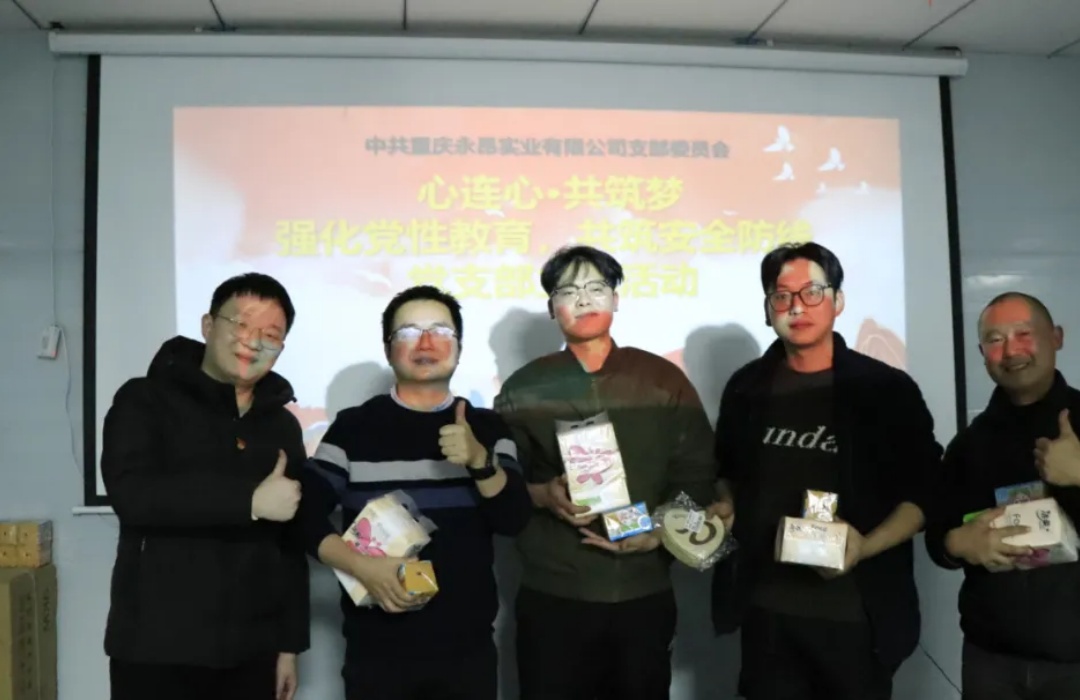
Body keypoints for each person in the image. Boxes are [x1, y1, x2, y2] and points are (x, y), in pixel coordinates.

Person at [710, 242, 942, 700]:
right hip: (766, 612)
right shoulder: (746, 387)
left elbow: (926, 492)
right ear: (767, 310)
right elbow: (727, 471)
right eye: (782, 296)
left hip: (856, 616)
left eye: (812, 292)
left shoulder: (885, 389)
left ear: (838, 301)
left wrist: (866, 545)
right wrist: (726, 504)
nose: (797, 306)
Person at [493, 245, 720, 700]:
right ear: (551, 307)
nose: (583, 299)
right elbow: (502, 485)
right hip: (554, 591)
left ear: (616, 299)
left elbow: (698, 475)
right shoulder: (524, 387)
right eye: (568, 291)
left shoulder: (661, 380)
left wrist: (659, 532)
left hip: (643, 590)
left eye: (596, 287)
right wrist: (543, 495)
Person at [299, 285, 531, 700]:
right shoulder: (353, 428)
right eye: (408, 332)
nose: (425, 343)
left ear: (459, 347)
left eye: (440, 330)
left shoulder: (488, 427)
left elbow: (514, 519)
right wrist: (361, 567)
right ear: (388, 350)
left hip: (466, 652)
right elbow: (302, 517)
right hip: (376, 653)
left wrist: (480, 461)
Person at [101, 272, 310, 700]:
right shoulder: (145, 400)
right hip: (157, 646)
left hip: (253, 650)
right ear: (208, 325)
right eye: (241, 324)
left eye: (270, 335)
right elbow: (133, 495)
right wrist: (249, 502)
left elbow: (289, 545)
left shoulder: (282, 425)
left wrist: (289, 646)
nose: (253, 342)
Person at [925, 292, 1080, 699]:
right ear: (982, 354)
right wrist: (956, 542)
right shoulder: (969, 444)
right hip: (991, 662)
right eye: (995, 340)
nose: (1011, 351)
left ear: (1057, 337)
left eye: (1024, 334)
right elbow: (938, 535)